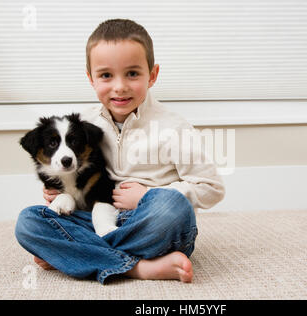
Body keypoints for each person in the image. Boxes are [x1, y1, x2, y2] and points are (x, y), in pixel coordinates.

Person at [15, 19, 225, 284]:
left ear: (153, 74)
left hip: (151, 222)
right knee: (28, 222)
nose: (119, 86)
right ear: (90, 78)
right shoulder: (82, 124)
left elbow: (212, 187)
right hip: (97, 218)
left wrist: (147, 197)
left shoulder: (174, 127)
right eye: (106, 75)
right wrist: (61, 191)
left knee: (170, 206)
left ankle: (78, 253)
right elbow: (69, 171)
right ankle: (138, 267)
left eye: (132, 74)